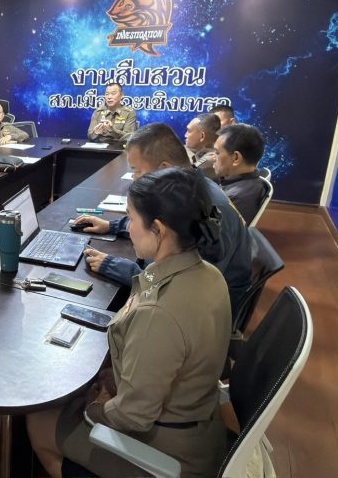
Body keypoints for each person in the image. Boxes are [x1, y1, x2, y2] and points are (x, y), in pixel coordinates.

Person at [27, 168, 231, 478]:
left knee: (39, 421)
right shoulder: (209, 274)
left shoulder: (158, 314)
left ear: (158, 229)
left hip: (171, 453)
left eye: (131, 219)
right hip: (200, 425)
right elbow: (147, 294)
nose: (129, 227)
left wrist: (93, 406)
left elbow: (133, 417)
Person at [74, 123, 251, 316]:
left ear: (163, 169)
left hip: (203, 313)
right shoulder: (189, 189)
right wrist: (111, 226)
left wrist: (118, 268)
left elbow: (182, 287)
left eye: (137, 171)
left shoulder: (207, 208)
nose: (134, 178)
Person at [214, 124, 268, 225]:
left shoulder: (233, 199)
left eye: (217, 153)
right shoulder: (249, 185)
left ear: (236, 158)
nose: (213, 157)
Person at [184, 112, 220, 180]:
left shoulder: (213, 158)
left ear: (202, 136)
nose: (185, 135)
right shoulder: (200, 151)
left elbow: (188, 172)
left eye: (189, 131)